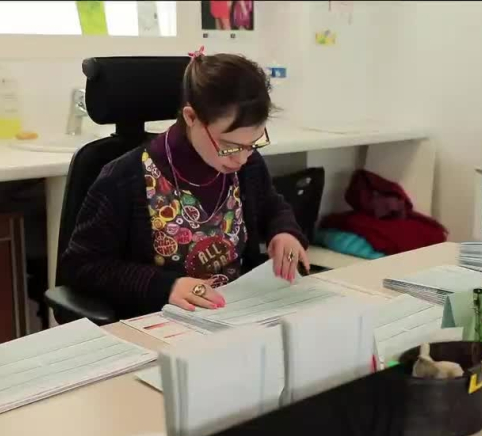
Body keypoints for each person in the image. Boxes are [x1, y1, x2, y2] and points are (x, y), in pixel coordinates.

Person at [60, 49, 310, 319]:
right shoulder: (123, 178)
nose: (241, 158)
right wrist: (166, 286)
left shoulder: (248, 165)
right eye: (229, 146)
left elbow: (271, 206)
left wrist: (283, 231)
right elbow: (81, 267)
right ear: (191, 117)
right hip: (159, 322)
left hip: (236, 314)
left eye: (253, 143)